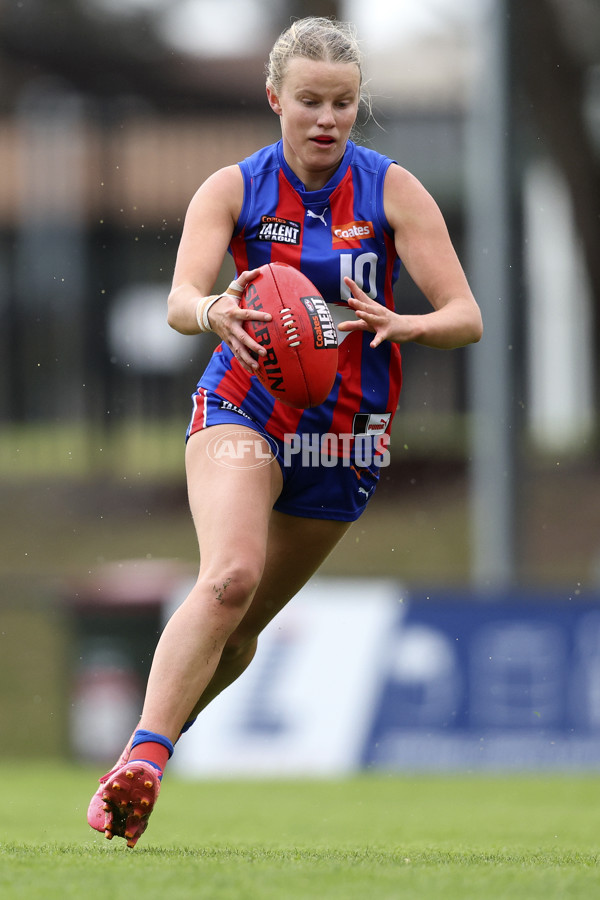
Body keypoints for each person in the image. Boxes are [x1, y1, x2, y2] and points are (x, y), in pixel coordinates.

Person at [87, 15, 482, 847]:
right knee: (228, 578)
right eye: (310, 101)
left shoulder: (392, 190)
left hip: (345, 438)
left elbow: (466, 316)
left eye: (342, 102)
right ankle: (144, 765)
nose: (327, 119)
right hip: (246, 406)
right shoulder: (232, 189)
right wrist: (212, 309)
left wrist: (409, 325)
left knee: (241, 637)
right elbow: (179, 299)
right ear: (276, 98)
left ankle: (147, 749)